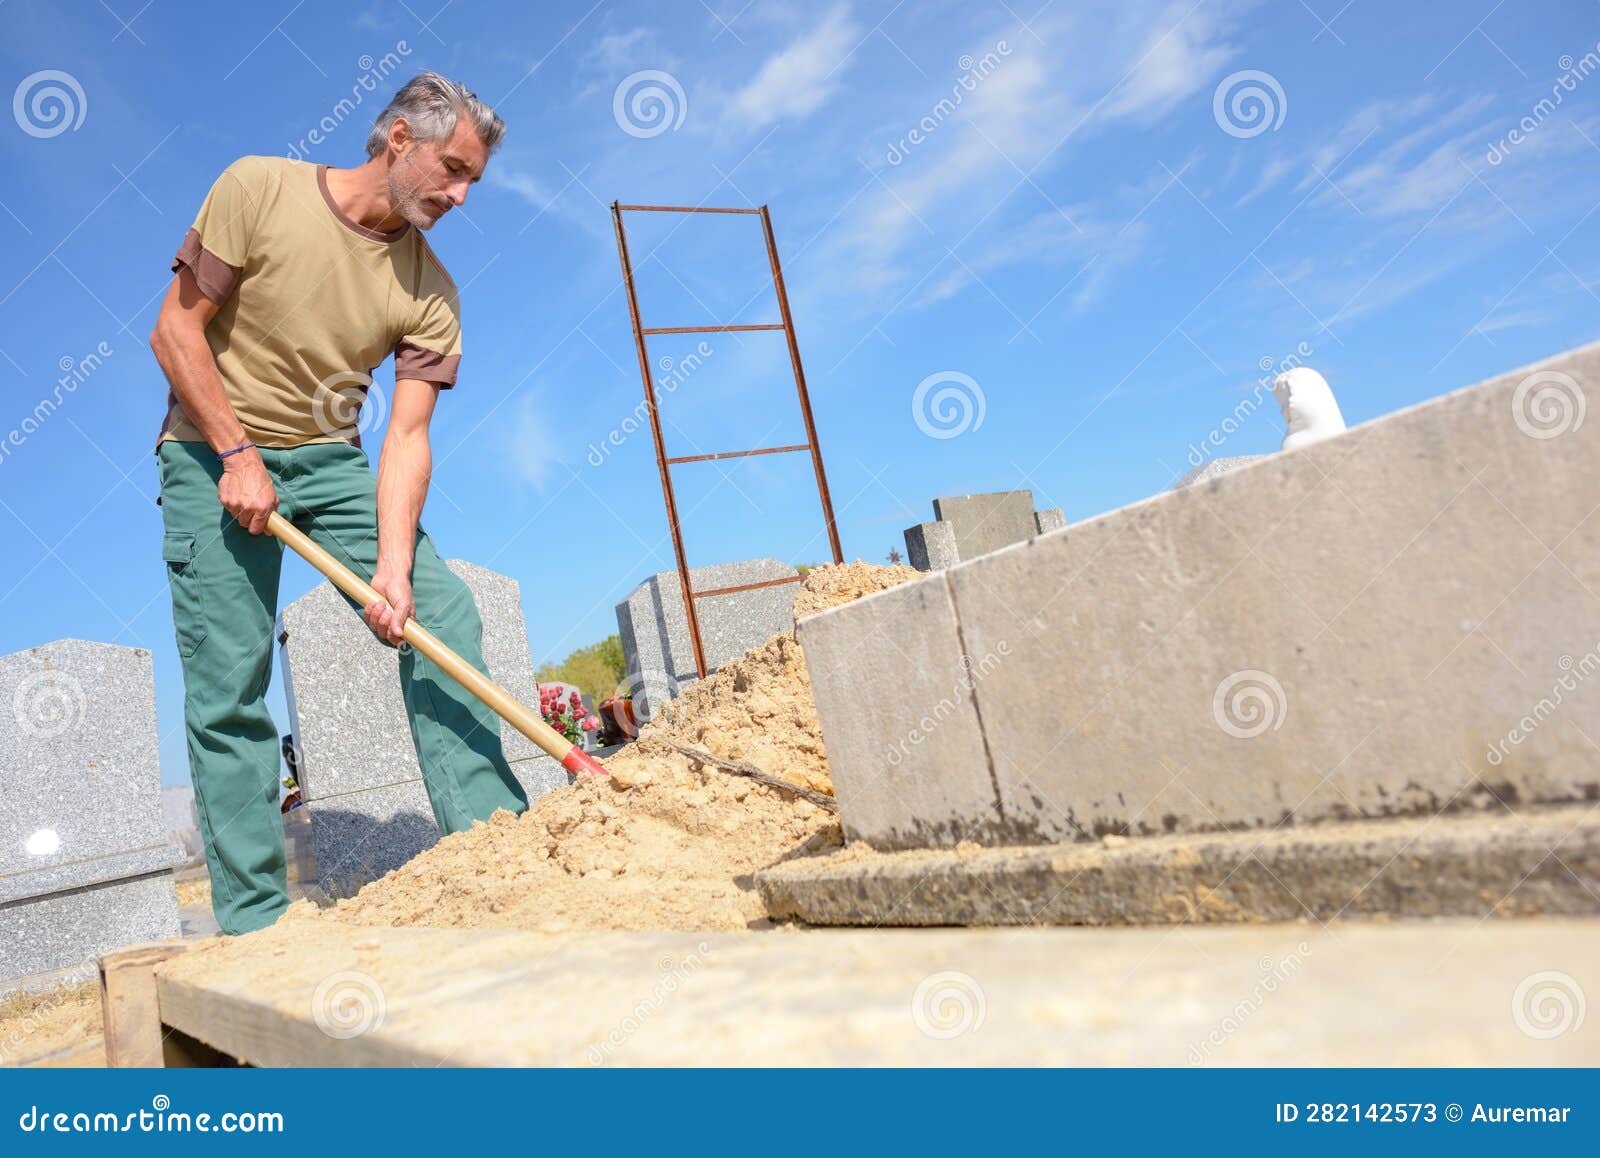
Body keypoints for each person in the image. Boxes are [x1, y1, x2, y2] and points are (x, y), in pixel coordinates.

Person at [148, 72, 527, 934]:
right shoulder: (258, 188)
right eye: (454, 169)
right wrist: (237, 454)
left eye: (474, 181)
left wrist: (390, 567)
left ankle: (497, 851)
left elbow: (406, 438)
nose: (462, 195)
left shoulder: (432, 290)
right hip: (211, 449)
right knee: (229, 683)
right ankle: (256, 923)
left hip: (333, 461)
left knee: (440, 611)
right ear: (400, 139)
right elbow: (175, 331)